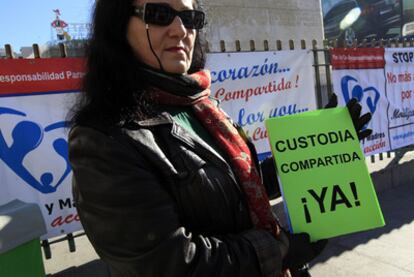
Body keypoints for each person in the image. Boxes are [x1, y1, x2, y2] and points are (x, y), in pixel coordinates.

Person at [67, 0, 372, 276]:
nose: (180, 30)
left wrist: (323, 146)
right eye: (159, 15)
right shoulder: (103, 139)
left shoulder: (200, 105)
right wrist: (278, 251)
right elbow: (168, 264)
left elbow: (237, 190)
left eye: (190, 17)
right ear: (118, 26)